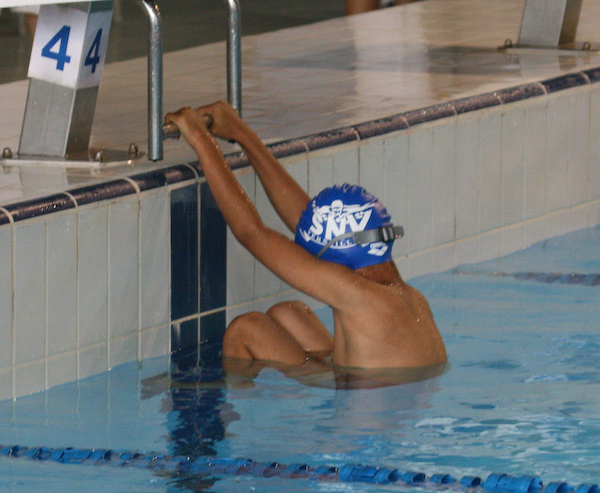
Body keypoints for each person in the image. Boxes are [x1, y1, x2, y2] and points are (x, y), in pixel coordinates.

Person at [165, 102, 447, 380]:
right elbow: (308, 225)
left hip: (358, 404)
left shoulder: (357, 295)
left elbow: (251, 234)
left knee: (245, 330)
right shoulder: (402, 293)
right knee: (289, 313)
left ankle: (232, 402)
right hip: (371, 384)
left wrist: (201, 139)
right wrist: (240, 133)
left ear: (336, 256)